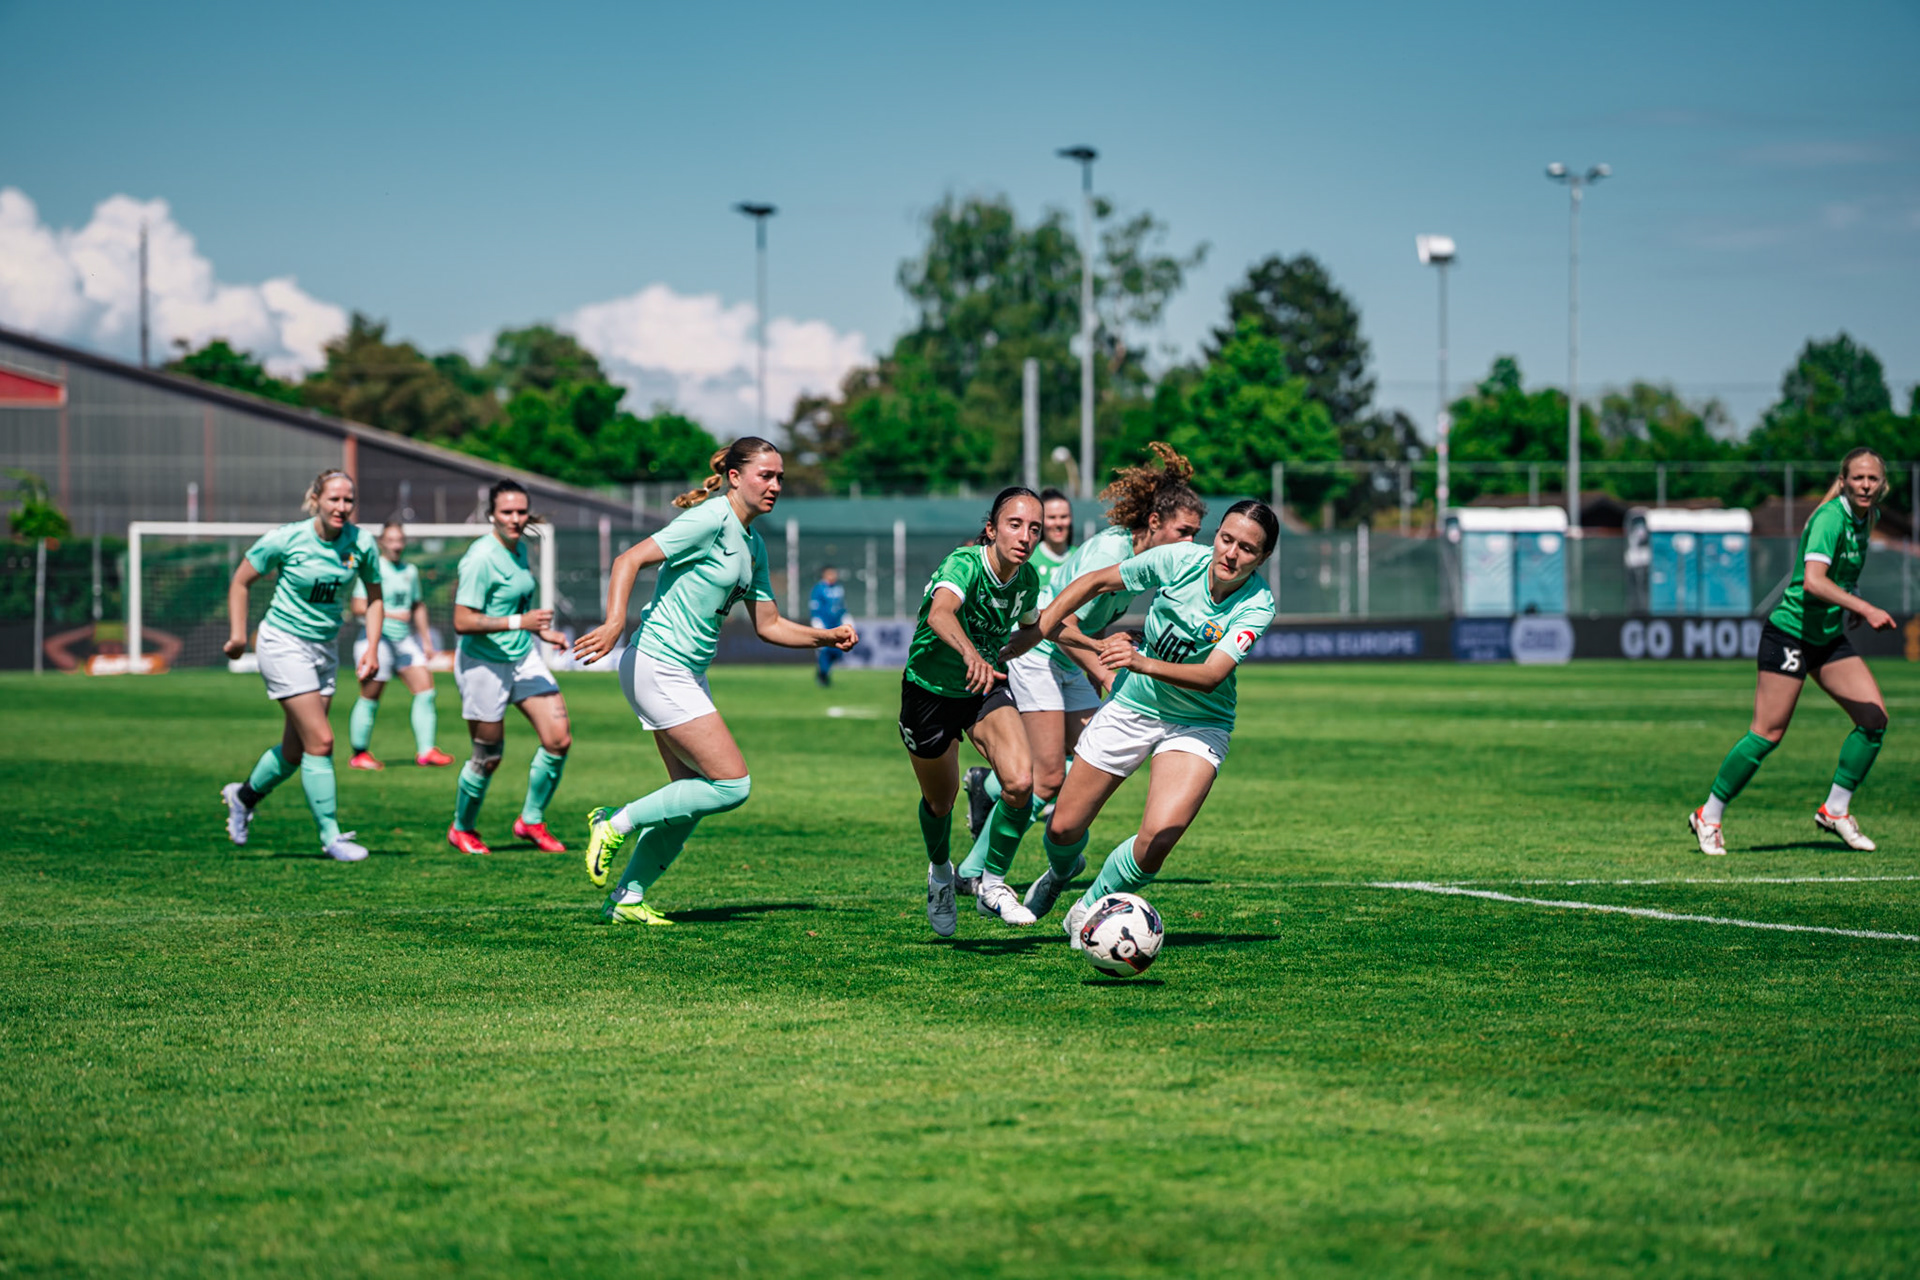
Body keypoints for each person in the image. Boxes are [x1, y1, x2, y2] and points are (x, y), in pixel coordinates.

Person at [575, 438, 857, 926]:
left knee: (687, 799)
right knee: (731, 784)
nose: (775, 485)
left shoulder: (754, 543)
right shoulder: (709, 519)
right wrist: (615, 621)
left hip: (684, 672)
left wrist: (823, 637)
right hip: (657, 663)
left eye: (780, 477)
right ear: (734, 477)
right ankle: (612, 822)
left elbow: (769, 626)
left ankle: (627, 898)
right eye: (765, 475)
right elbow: (628, 560)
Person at [958, 444, 1207, 909]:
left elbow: (1090, 626)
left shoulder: (1149, 560)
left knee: (1092, 753)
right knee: (1048, 778)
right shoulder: (1112, 550)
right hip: (1038, 647)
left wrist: (1105, 657)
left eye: (1197, 534)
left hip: (1068, 652)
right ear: (1154, 523)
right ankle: (974, 872)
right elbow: (1060, 622)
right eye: (1184, 532)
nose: (1192, 544)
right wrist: (1104, 667)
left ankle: (986, 794)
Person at [1032, 500, 1279, 946]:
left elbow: (1211, 676)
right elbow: (1095, 580)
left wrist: (1141, 662)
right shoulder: (1179, 559)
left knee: (1160, 837)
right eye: (1226, 539)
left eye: (1246, 548)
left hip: (1199, 721)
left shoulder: (1259, 604)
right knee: (1063, 828)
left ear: (1261, 558)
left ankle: (1090, 908)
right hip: (1134, 707)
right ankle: (1060, 872)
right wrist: (1041, 626)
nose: (1231, 554)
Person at [1689, 447, 1895, 855]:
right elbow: (1814, 582)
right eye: (1858, 478)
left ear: (1882, 484)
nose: (1866, 485)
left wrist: (1850, 595)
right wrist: (1865, 607)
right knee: (1768, 733)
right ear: (1844, 481)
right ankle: (1708, 815)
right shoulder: (1830, 518)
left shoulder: (1867, 517)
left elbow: (1840, 574)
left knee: (1873, 720)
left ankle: (1835, 810)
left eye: (1873, 479)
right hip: (1791, 634)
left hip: (1827, 636)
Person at [898, 487, 1047, 936]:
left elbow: (1033, 628)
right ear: (991, 529)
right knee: (940, 804)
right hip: (929, 691)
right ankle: (941, 873)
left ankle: (992, 884)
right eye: (1014, 524)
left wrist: (1080, 644)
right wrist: (972, 655)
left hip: (982, 690)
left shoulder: (1027, 580)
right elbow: (939, 615)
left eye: (1033, 528)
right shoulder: (963, 563)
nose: (1025, 535)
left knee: (1021, 781)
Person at [218, 468, 384, 862]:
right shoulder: (286, 538)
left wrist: (372, 649)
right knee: (322, 742)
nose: (342, 507)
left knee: (296, 752)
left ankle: (242, 798)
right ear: (316, 500)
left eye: (348, 500)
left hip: (324, 651)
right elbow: (241, 581)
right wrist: (239, 636)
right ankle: (331, 837)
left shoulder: (361, 543)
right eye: (334, 499)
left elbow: (376, 597)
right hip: (282, 644)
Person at [446, 481, 572, 856]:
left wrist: (543, 632)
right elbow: (462, 621)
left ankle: (530, 821)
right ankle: (462, 828)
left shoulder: (518, 550)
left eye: (520, 512)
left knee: (558, 739)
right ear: (492, 515)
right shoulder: (480, 558)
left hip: (522, 657)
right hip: (483, 664)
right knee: (488, 756)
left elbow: (513, 607)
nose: (515, 519)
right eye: (507, 512)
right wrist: (522, 623)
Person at [346, 521, 455, 770]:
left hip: (404, 640)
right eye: (391, 540)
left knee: (426, 691)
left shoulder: (410, 571)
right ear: (382, 542)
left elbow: (417, 605)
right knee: (370, 696)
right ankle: (359, 754)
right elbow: (358, 606)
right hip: (376, 640)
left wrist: (426, 641)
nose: (396, 545)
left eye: (400, 540)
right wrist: (392, 615)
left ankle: (426, 751)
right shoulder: (373, 568)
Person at [1031, 488, 1076, 595]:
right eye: (1052, 517)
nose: (1058, 523)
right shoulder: (1029, 561)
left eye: (1064, 517)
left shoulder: (1081, 558)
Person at [809, 565, 849, 687]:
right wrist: (817, 622)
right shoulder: (819, 589)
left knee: (837, 651)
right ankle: (823, 675)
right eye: (830, 574)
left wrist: (846, 618)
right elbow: (814, 606)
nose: (833, 576)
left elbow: (842, 606)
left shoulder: (839, 589)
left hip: (836, 625)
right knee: (825, 651)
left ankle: (824, 672)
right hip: (824, 625)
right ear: (824, 574)